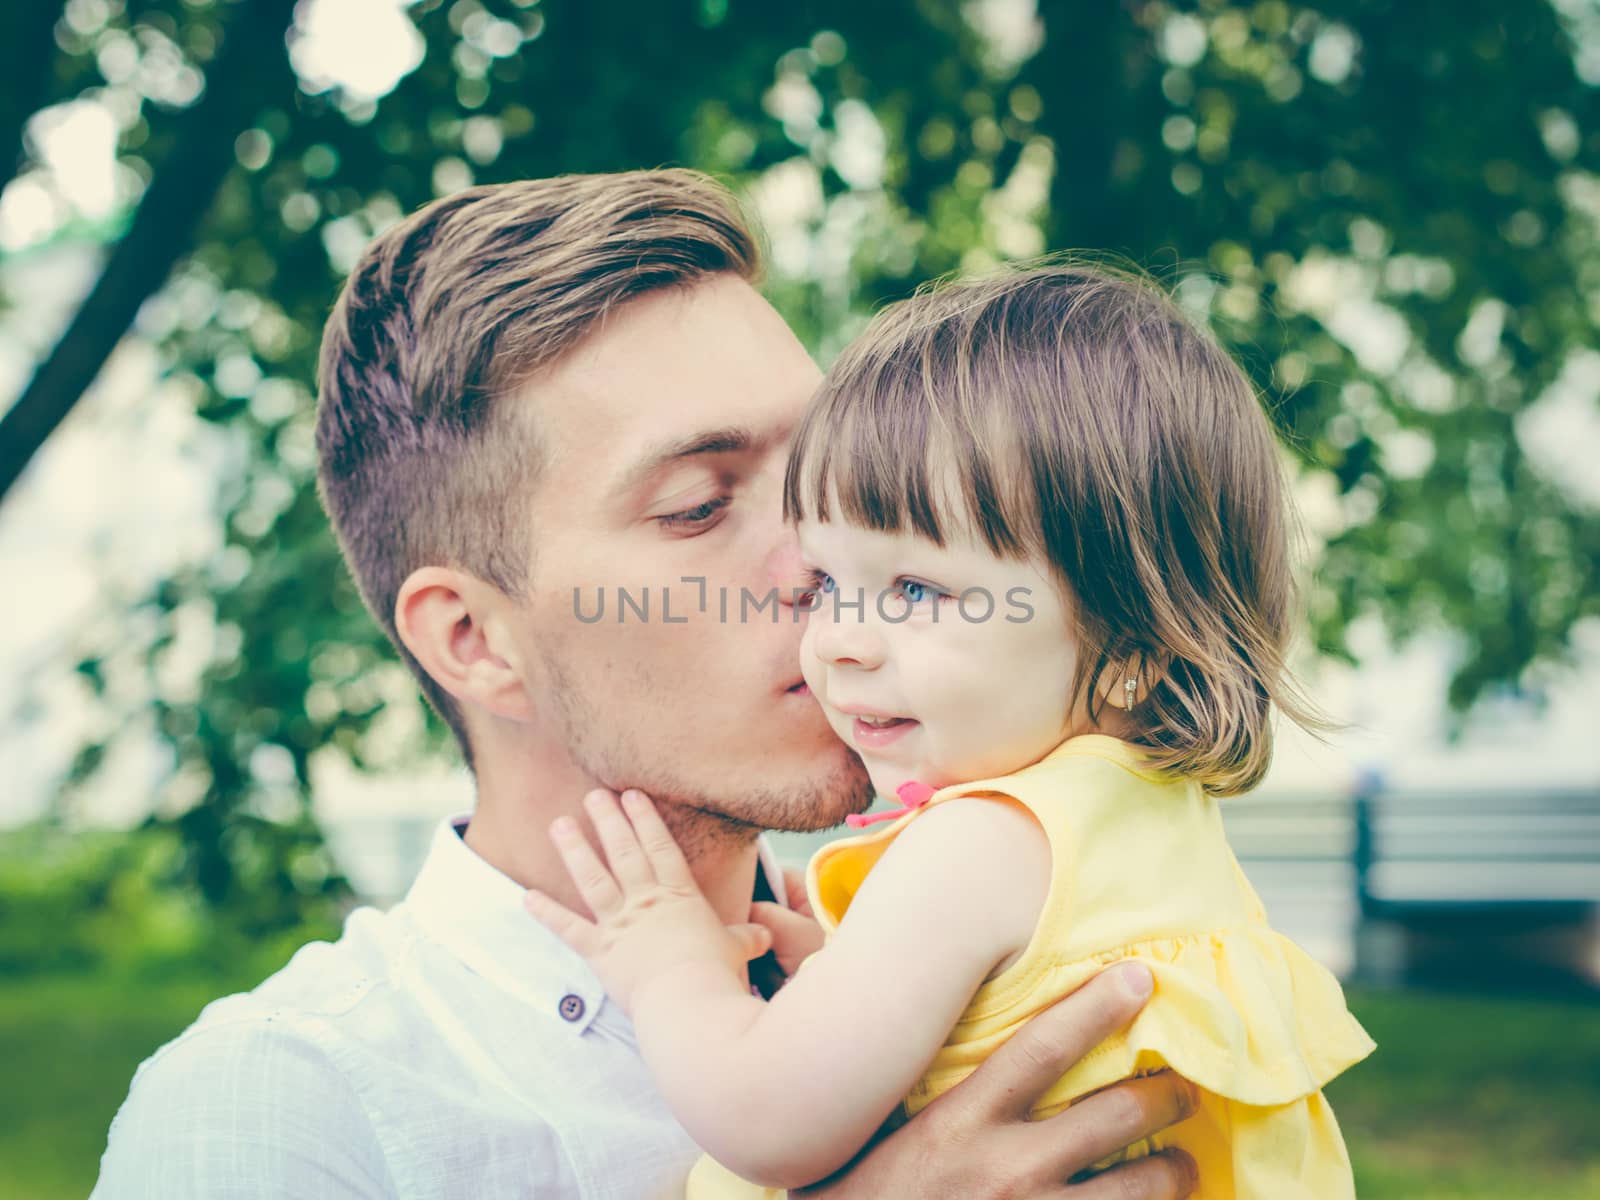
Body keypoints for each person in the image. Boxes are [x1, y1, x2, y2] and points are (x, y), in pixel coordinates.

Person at [90, 171, 1199, 1198]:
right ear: (475, 641)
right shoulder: (275, 1112)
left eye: (833, 477)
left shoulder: (977, 960)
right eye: (697, 506)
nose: (830, 557)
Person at [522, 264, 1376, 1197]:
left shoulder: (980, 845)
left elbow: (765, 1121)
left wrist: (669, 964)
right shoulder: (1147, 818)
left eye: (916, 590)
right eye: (830, 583)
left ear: (1134, 640)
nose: (837, 642)